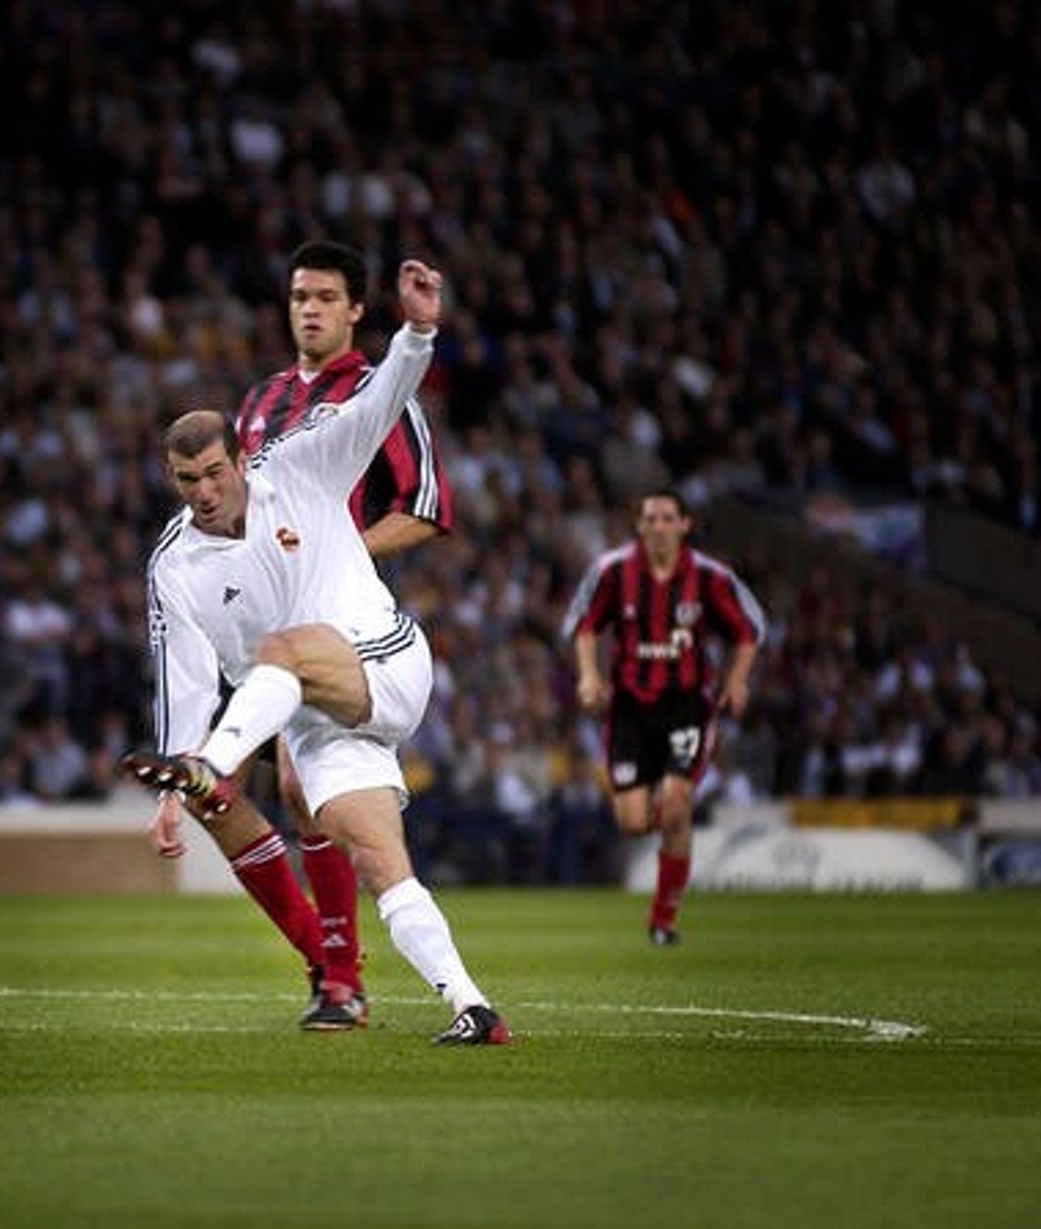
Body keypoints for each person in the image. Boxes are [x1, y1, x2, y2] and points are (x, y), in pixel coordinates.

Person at [124, 259, 508, 1046]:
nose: (202, 492)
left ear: (240, 457)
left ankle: (215, 764)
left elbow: (376, 408)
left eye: (213, 472)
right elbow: (186, 679)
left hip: (384, 659)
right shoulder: (173, 564)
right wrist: (175, 785)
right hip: (314, 716)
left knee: (280, 654)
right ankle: (470, 1006)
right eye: (185, 480)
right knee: (379, 860)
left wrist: (418, 333)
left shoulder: (297, 463)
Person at [561, 489, 767, 945]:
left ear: (684, 525)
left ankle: (662, 919)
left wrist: (737, 680)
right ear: (639, 525)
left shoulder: (709, 578)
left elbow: (748, 630)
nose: (657, 526)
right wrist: (589, 676)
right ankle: (675, 829)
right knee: (633, 823)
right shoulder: (614, 572)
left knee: (675, 806)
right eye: (649, 518)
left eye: (666, 518)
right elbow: (586, 625)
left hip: (686, 706)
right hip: (630, 710)